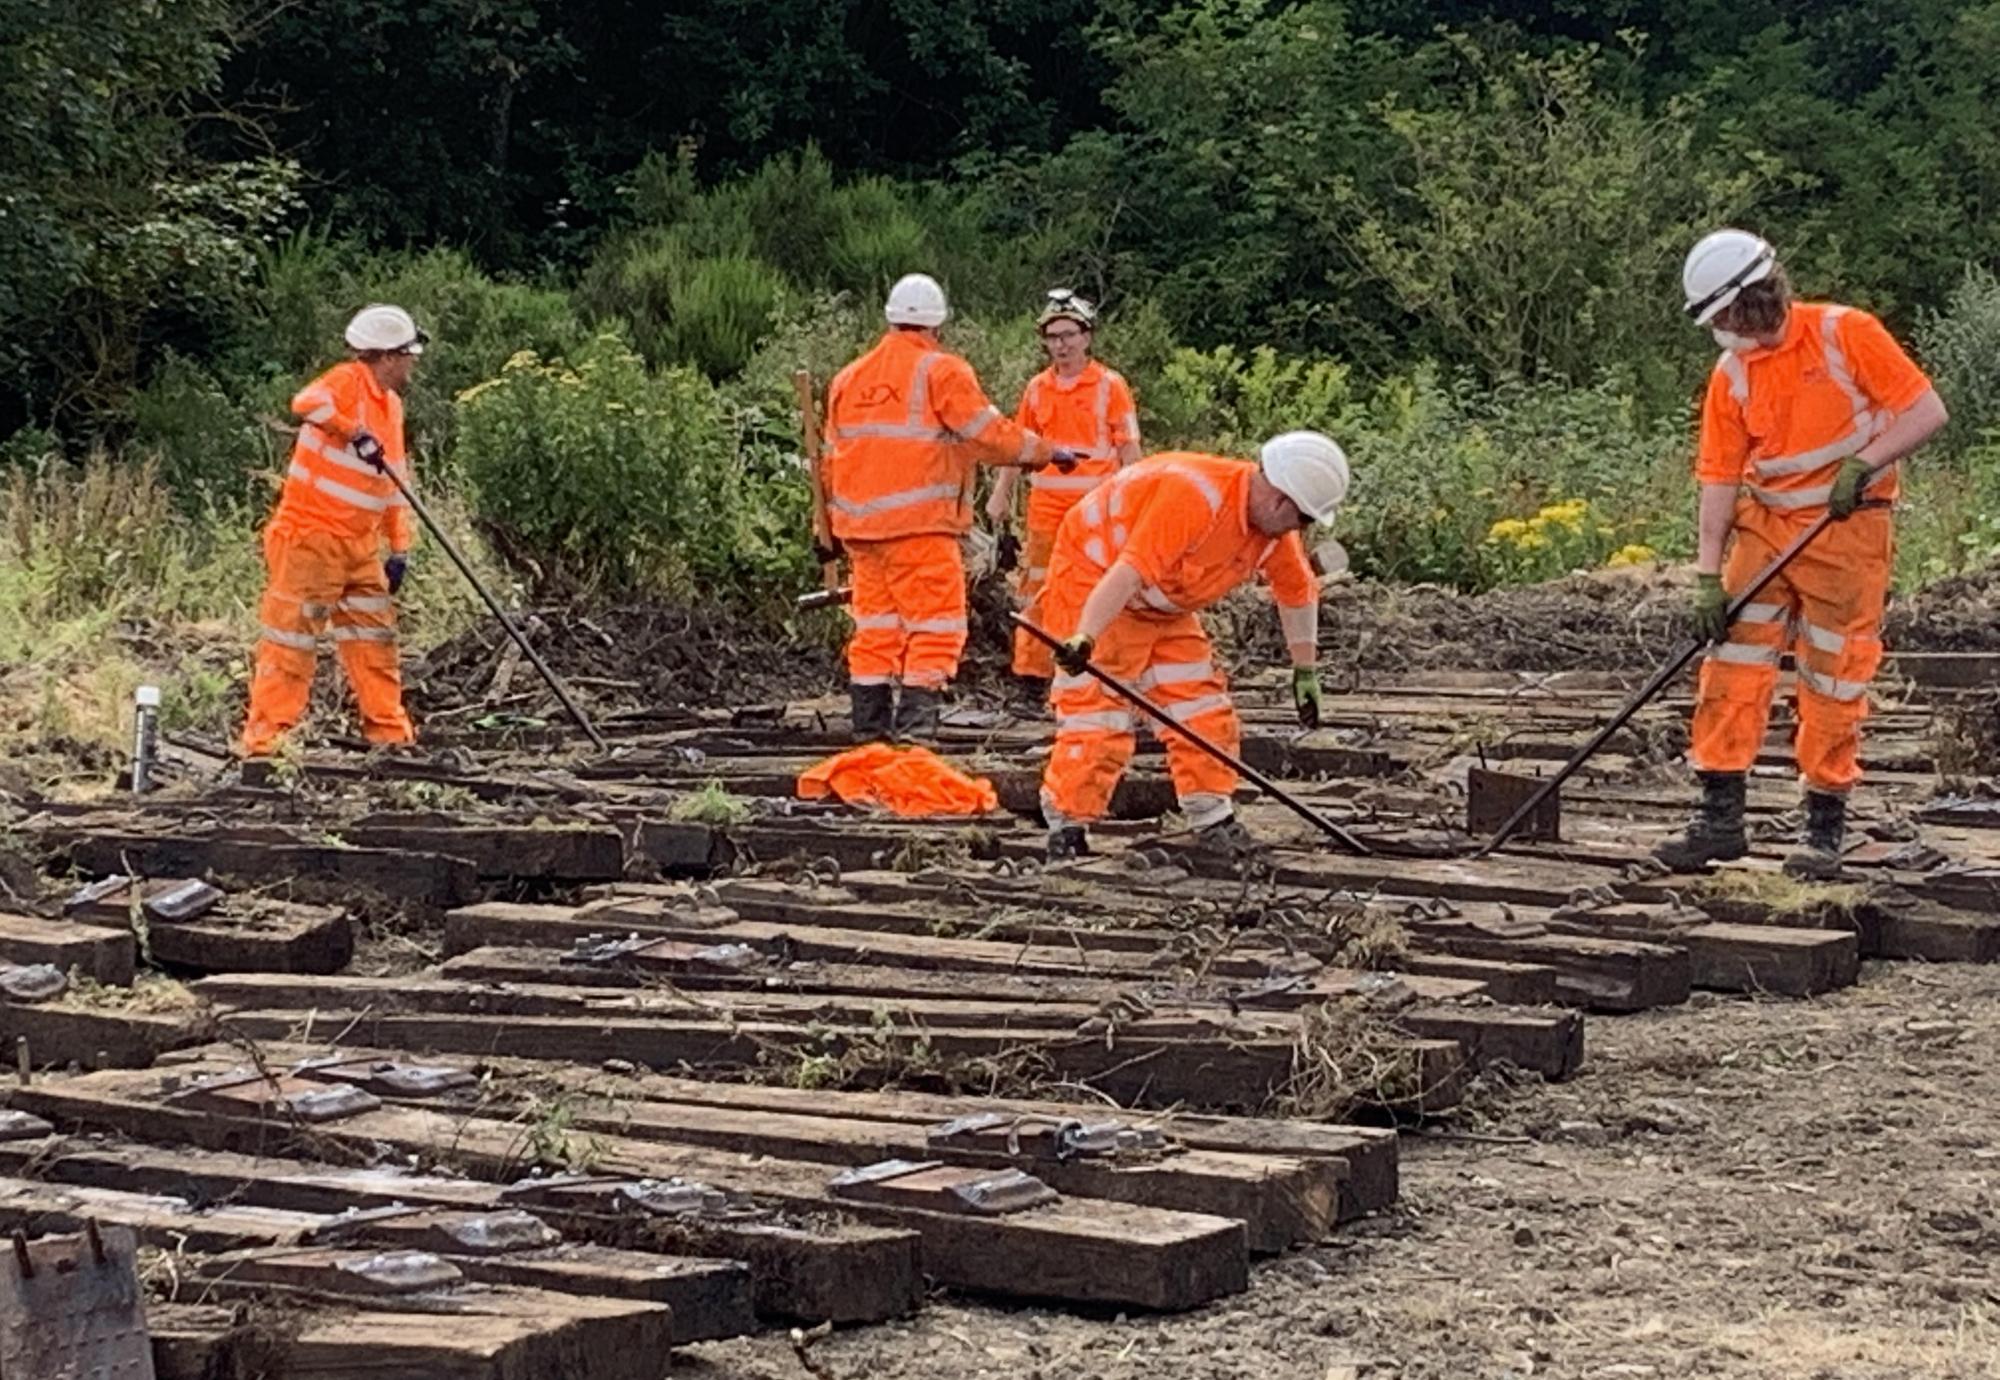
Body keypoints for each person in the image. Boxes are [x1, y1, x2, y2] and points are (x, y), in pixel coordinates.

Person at [1654, 229, 1949, 879]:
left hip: (1845, 530)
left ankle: (1822, 828)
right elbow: (1719, 476)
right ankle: (1719, 819)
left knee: (1834, 676)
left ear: (1756, 298)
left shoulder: (1845, 334)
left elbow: (1927, 411)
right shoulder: (1731, 375)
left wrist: (1864, 466)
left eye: (1727, 315)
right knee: (1730, 662)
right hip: (1765, 532)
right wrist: (1708, 575)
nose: (1722, 330)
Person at [1039, 433, 1350, 861]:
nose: (1301, 530)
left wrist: (1305, 670)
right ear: (1281, 499)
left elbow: (1297, 591)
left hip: (1163, 602)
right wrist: (1085, 635)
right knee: (1098, 717)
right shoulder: (1193, 497)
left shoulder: (1274, 534)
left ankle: (1211, 815)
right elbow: (1128, 573)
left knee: (1202, 708)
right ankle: (1067, 826)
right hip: (1097, 581)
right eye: (1303, 519)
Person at [823, 273, 1073, 743]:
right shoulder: (941, 370)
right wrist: (1045, 452)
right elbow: (989, 434)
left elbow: (831, 459)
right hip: (920, 528)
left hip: (860, 530)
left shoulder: (848, 378)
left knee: (875, 628)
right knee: (935, 627)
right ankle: (917, 736)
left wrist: (834, 528)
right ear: (938, 324)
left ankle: (869, 734)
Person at [241, 304, 429, 757]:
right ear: (387, 356)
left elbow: (394, 478)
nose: (412, 363)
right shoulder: (347, 382)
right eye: (408, 354)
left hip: (360, 547)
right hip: (310, 537)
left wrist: (399, 546)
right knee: (291, 643)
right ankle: (265, 744)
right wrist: (351, 431)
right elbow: (305, 402)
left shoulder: (392, 406)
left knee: (375, 642)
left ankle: (389, 737)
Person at [985, 290, 1142, 708]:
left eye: (1069, 334)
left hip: (1098, 510)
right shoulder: (1037, 389)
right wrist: (1000, 495)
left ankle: (1103, 673)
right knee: (1039, 588)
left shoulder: (1111, 387)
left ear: (1087, 337)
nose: (1061, 344)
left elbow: (1129, 451)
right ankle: (1032, 677)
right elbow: (1018, 447)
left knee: (1100, 588)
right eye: (1053, 336)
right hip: (1047, 510)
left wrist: (1133, 505)